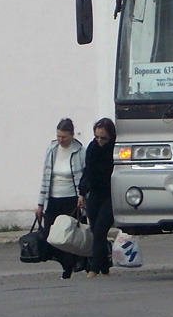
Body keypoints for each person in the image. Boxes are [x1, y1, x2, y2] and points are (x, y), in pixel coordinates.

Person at [35, 117, 87, 279]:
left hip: (71, 199)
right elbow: (45, 177)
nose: (60, 140)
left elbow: (85, 177)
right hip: (53, 199)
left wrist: (82, 195)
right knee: (52, 235)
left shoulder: (80, 152)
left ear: (71, 135)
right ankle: (66, 263)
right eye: (58, 136)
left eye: (64, 137)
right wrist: (40, 204)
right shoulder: (51, 150)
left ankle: (74, 264)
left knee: (70, 235)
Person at [79, 117, 116, 278]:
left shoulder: (115, 149)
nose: (100, 140)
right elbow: (87, 171)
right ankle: (105, 268)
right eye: (97, 137)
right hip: (94, 193)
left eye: (103, 138)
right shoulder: (92, 148)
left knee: (101, 230)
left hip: (110, 194)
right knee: (95, 231)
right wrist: (82, 192)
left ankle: (94, 268)